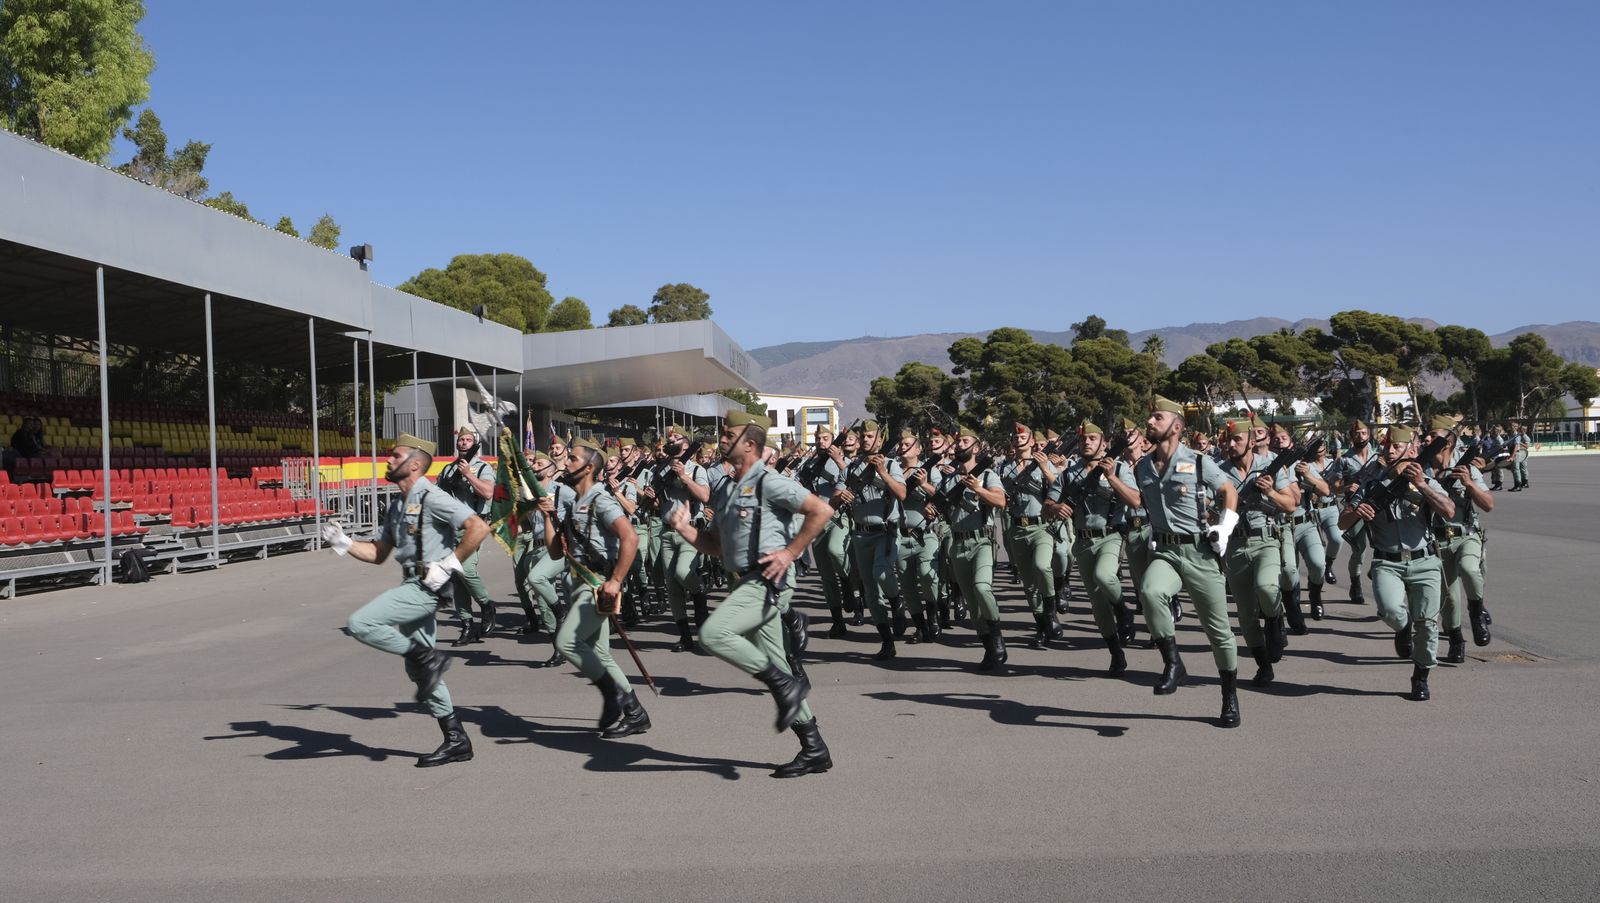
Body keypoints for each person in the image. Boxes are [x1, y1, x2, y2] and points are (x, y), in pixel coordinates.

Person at [667, 410, 835, 777]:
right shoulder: (727, 488)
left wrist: (790, 552)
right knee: (777, 665)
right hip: (741, 580)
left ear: (751, 444)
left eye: (729, 434)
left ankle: (785, 682)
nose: (722, 438)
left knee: (713, 634)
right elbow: (717, 546)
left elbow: (821, 510)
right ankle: (814, 748)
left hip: (767, 581)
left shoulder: (768, 482)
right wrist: (684, 529)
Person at [323, 433, 488, 767]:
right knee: (420, 672)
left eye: (395, 456)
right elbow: (379, 553)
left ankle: (428, 656)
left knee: (361, 624)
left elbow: (477, 527)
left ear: (414, 464)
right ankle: (457, 739)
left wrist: (450, 563)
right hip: (410, 581)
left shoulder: (431, 496)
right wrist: (344, 543)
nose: (388, 460)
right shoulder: (398, 504)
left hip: (428, 586)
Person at [1104, 396, 1243, 728]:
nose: (1149, 422)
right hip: (1165, 551)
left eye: (1157, 417)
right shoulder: (1143, 466)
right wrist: (1112, 479)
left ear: (1176, 426)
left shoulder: (1197, 462)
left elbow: (1229, 490)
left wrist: (1225, 527)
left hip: (1199, 552)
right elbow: (1139, 500)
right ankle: (1173, 664)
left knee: (1219, 632)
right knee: (1150, 593)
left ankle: (1229, 697)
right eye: (1150, 417)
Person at [541, 436, 651, 737]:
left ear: (589, 468)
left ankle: (613, 696)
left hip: (598, 585)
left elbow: (631, 537)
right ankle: (635, 712)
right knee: (600, 652)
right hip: (579, 583)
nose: (566, 462)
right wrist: (547, 514)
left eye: (573, 459)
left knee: (566, 642)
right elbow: (555, 552)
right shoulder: (575, 500)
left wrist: (615, 582)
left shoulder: (600, 499)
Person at [1046, 420, 1131, 673]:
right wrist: (1056, 508)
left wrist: (1112, 477)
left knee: (1104, 575)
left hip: (1110, 535)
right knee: (1097, 604)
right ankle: (1116, 652)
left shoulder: (1120, 467)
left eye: (1093, 439)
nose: (1086, 443)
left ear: (1104, 444)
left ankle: (1122, 609)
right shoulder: (1069, 474)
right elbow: (1047, 505)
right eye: (1083, 439)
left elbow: (1134, 500)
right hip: (1082, 540)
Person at [1218, 418, 1298, 687]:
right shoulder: (1219, 471)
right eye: (1228, 440)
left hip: (1266, 540)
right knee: (1245, 614)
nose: (1230, 444)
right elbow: (1208, 507)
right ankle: (1263, 665)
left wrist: (1271, 493)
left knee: (1267, 587)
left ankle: (1275, 618)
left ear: (1251, 442)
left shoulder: (1271, 467)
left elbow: (1291, 505)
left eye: (1236, 440)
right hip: (1236, 545)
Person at [928, 427, 1008, 671]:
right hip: (958, 543)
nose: (959, 445)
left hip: (982, 541)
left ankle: (996, 634)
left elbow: (1001, 501)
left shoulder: (988, 475)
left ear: (976, 447)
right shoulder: (948, 479)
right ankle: (987, 647)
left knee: (983, 588)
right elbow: (939, 505)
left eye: (965, 441)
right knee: (972, 605)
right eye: (958, 441)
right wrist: (930, 508)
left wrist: (978, 489)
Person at [831, 420, 906, 661]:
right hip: (860, 534)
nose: (865, 439)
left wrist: (882, 472)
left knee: (881, 573)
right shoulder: (849, 469)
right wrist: (840, 495)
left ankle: (896, 601)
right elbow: (834, 500)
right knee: (871, 593)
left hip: (885, 531)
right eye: (862, 436)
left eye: (870, 436)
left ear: (880, 440)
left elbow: (902, 493)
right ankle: (887, 641)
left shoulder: (892, 465)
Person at [1425, 415, 1495, 662]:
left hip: (1466, 535)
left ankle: (1476, 613)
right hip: (1435, 541)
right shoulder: (1420, 468)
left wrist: (1469, 483)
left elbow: (1488, 505)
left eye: (1434, 435)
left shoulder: (1466, 467)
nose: (1427, 438)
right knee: (1449, 600)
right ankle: (1456, 640)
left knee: (1470, 570)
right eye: (1427, 434)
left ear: (1449, 440)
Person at [641, 426, 712, 652]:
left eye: (675, 438)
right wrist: (652, 498)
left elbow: (704, 495)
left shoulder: (696, 468)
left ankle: (699, 591)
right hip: (666, 530)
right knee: (672, 585)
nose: (670, 441)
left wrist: (683, 477)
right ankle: (685, 636)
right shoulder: (659, 469)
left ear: (685, 442)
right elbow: (660, 503)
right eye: (668, 438)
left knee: (683, 573)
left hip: (690, 531)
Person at [997, 423, 1062, 649]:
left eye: (1022, 436)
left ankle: (1052, 612)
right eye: (1015, 436)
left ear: (1032, 441)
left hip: (1041, 526)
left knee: (1042, 566)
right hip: (1016, 528)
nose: (1017, 439)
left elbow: (1059, 487)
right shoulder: (1004, 468)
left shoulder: (1042, 464)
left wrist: (1045, 468)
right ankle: (1042, 625)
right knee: (1028, 584)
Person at [513, 452, 576, 667]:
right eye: (533, 463)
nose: (534, 467)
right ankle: (558, 648)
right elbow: (527, 524)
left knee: (536, 578)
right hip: (538, 548)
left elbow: (579, 515)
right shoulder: (530, 496)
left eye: (539, 463)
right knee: (542, 601)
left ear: (550, 469)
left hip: (560, 547)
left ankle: (563, 613)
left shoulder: (563, 491)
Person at [436, 427, 498, 645]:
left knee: (467, 569)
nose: (463, 443)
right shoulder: (448, 469)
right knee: (456, 575)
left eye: (468, 439)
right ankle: (467, 624)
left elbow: (488, 492)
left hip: (474, 525)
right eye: (461, 440)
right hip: (451, 527)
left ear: (475, 443)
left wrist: (468, 474)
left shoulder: (482, 468)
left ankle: (486, 605)